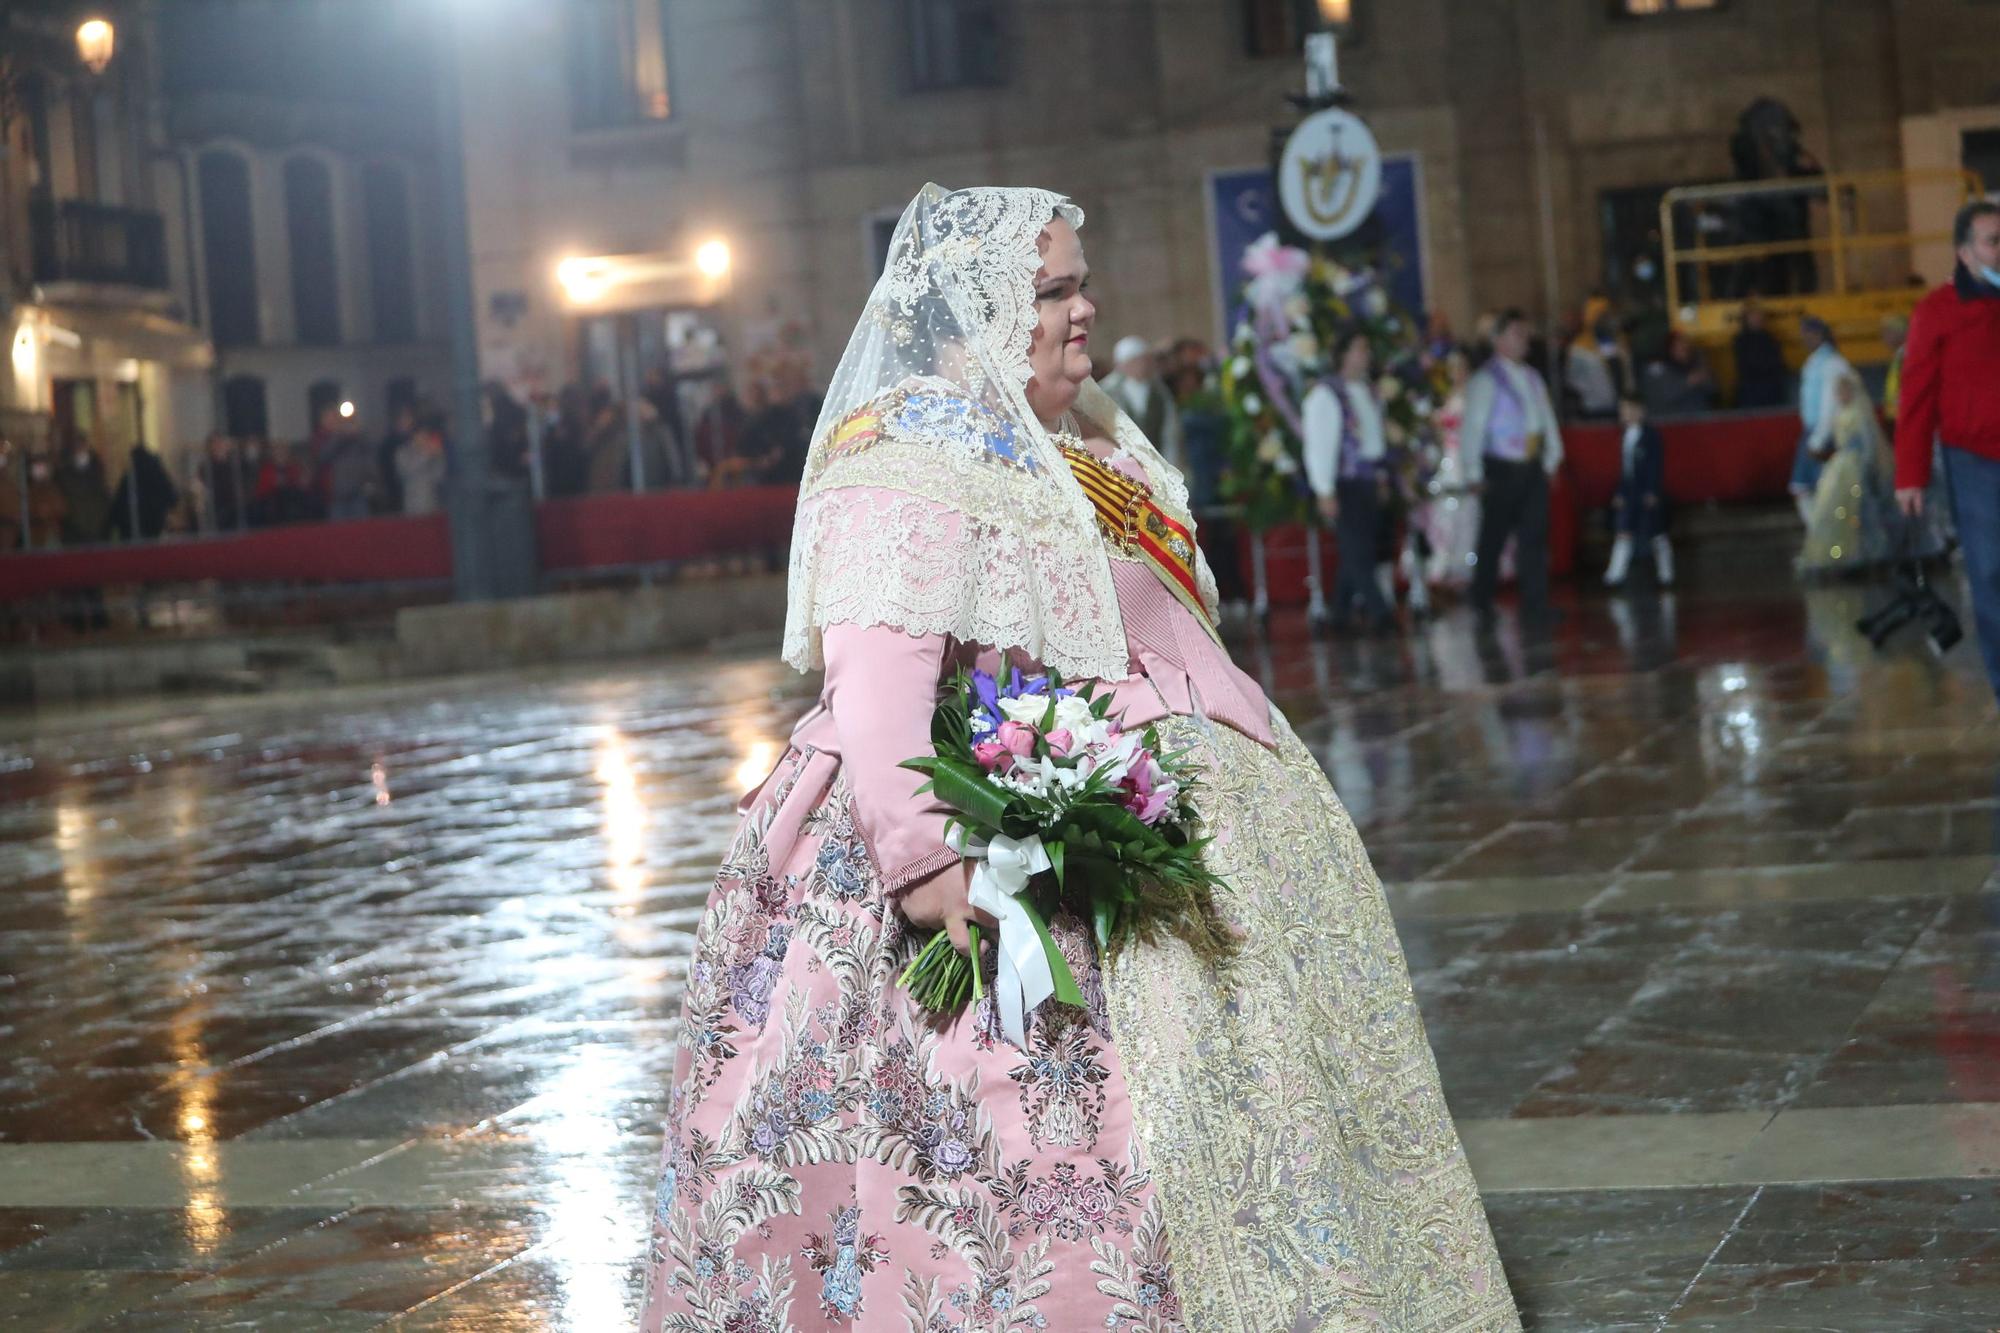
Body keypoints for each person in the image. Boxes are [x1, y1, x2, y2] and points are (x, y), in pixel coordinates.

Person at [639, 184, 1518, 1332]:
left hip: (1171, 810)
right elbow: (879, 681)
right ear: (976, 309)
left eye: (1078, 283)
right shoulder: (913, 445)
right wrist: (921, 861)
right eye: (1052, 290)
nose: (1082, 309)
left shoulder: (1087, 435)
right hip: (996, 835)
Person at [1895, 201, 2000, 698]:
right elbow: (1915, 398)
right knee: (1992, 576)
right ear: (1964, 251)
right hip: (1976, 464)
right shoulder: (1937, 312)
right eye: (1993, 240)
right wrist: (1909, 475)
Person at [1462, 308, 1564, 629]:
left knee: (1534, 536)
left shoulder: (1532, 377)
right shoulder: (1486, 380)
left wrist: (1552, 457)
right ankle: (1481, 597)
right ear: (1499, 340)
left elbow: (1545, 419)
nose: (1525, 342)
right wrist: (1473, 472)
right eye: (1518, 335)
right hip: (1501, 467)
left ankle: (1535, 604)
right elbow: (1473, 428)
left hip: (1530, 466)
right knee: (1493, 536)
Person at [1304, 329, 1396, 632]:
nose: (1365, 355)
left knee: (1357, 549)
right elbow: (1320, 444)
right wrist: (1325, 489)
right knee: (1359, 551)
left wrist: (1381, 476)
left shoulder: (1368, 392)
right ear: (1342, 354)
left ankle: (1339, 614)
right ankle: (1380, 612)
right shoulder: (1327, 394)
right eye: (1358, 348)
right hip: (1345, 482)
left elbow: (1375, 440)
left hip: (1366, 480)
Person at [1800, 368, 1896, 575]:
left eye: (1843, 391)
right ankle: (1840, 553)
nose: (1840, 395)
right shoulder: (1841, 413)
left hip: (1853, 465)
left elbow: (1868, 444)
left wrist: (1866, 464)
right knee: (1835, 510)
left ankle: (1863, 552)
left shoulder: (1858, 413)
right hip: (1841, 465)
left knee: (1858, 509)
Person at [1604, 391, 1672, 588]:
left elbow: (1654, 466)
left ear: (1641, 411)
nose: (1626, 413)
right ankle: (1615, 575)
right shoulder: (1624, 436)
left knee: (1656, 532)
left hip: (1646, 490)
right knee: (1623, 530)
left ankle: (1666, 573)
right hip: (1630, 491)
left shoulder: (1651, 436)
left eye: (1630, 409)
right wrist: (1620, 492)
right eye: (1623, 410)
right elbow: (1624, 469)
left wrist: (1652, 490)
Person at [1791, 315, 1852, 522]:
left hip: (1826, 433)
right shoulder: (1816, 361)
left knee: (1825, 489)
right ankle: (1821, 541)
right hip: (1814, 431)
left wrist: (1818, 439)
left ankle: (1831, 544)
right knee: (1806, 488)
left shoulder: (1832, 363)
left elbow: (1831, 405)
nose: (1803, 339)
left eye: (1807, 334)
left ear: (1818, 335)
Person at [1099, 333, 1185, 470]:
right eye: (1137, 361)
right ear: (1124, 364)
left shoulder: (1160, 393)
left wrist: (1169, 466)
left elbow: (1170, 433)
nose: (1143, 365)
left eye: (1145, 360)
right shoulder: (1108, 392)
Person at [107, 441, 180, 541]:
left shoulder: (130, 477)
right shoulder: (157, 472)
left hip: (131, 529)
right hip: (154, 525)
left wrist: (111, 525)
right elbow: (172, 496)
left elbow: (118, 504)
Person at [1642, 330, 1718, 418]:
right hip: (1672, 422)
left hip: (1700, 419)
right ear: (1669, 349)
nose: (1684, 349)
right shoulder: (1657, 369)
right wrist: (1688, 382)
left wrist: (1705, 378)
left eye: (1686, 346)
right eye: (1679, 347)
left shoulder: (1696, 364)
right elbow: (1663, 396)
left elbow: (1713, 390)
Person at [1732, 298, 1790, 409]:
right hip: (1751, 390)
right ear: (1746, 318)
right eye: (1753, 315)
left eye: (1759, 315)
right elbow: (1745, 367)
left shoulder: (1771, 338)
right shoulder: (1740, 340)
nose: (1757, 318)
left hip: (1771, 389)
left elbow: (1779, 364)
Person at [57, 437, 114, 544]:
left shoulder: (98, 471)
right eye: (77, 449)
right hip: (75, 533)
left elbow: (104, 499)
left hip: (98, 530)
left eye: (82, 447)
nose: (80, 452)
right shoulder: (64, 475)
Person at [397, 409, 450, 516]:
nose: (424, 439)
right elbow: (408, 471)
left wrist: (439, 458)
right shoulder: (402, 452)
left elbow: (439, 476)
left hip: (431, 503)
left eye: (425, 436)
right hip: (412, 504)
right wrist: (427, 455)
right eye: (421, 435)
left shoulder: (431, 453)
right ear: (414, 436)